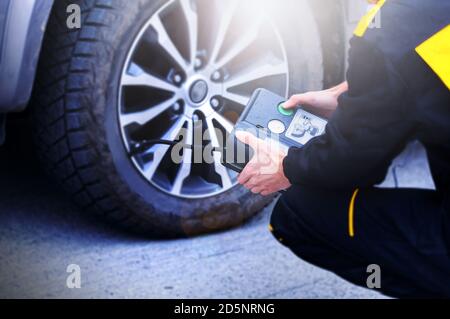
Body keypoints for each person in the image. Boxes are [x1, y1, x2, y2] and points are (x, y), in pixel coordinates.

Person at [236, 0, 450, 298]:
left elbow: (354, 165)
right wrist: (356, 93)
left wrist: (287, 167)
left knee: (298, 213)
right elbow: (421, 68)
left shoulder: (387, 29)